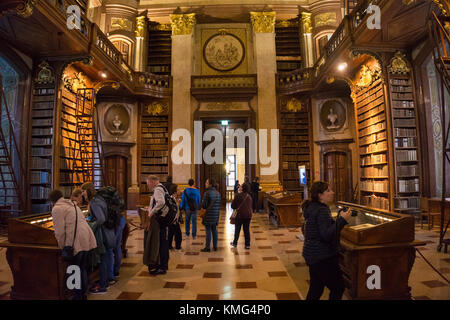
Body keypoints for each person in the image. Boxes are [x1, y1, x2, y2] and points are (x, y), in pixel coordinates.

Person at [302, 181, 351, 300]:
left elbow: (319, 229)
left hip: (312, 253)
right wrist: (342, 220)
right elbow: (326, 234)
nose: (332, 192)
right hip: (322, 256)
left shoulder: (313, 207)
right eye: (328, 190)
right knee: (338, 287)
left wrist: (335, 221)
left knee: (316, 288)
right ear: (320, 195)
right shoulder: (322, 210)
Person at [49, 189, 97, 300]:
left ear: (52, 201)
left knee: (73, 269)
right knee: (81, 269)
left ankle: (75, 296)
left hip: (75, 242)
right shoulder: (72, 205)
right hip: (86, 240)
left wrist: (63, 248)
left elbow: (60, 232)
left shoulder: (57, 208)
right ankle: (83, 295)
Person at [82, 182, 116, 294]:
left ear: (87, 191)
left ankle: (102, 286)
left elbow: (101, 219)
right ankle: (104, 282)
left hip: (102, 234)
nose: (82, 194)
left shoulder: (95, 202)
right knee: (105, 258)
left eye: (83, 191)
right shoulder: (99, 199)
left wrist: (91, 225)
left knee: (102, 259)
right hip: (108, 232)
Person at [144, 175, 169, 275]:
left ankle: (162, 267)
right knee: (162, 241)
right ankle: (162, 265)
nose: (148, 186)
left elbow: (161, 202)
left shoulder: (158, 189)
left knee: (161, 242)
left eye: (148, 183)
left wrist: (151, 212)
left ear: (153, 181)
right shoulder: (162, 187)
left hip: (159, 220)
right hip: (162, 219)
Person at [200, 178, 220, 252]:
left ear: (210, 184)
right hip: (215, 215)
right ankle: (215, 247)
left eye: (207, 182)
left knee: (208, 230)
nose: (205, 183)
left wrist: (202, 202)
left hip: (208, 215)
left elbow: (204, 205)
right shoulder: (218, 193)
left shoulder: (207, 193)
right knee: (214, 230)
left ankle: (207, 247)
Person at [230, 184, 253, 249]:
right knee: (246, 230)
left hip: (239, 215)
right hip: (248, 215)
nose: (240, 187)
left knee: (237, 230)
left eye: (241, 186)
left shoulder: (238, 195)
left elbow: (232, 206)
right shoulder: (249, 196)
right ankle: (247, 245)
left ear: (242, 188)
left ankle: (235, 243)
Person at [168, 183, 182, 251]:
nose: (180, 190)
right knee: (178, 234)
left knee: (171, 233)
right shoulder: (171, 199)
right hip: (172, 220)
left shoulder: (176, 199)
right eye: (178, 189)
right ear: (175, 191)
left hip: (175, 219)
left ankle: (169, 246)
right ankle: (177, 247)